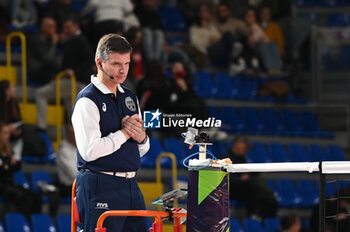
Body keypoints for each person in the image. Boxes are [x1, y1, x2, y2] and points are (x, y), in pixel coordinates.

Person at [72, 34, 150, 232]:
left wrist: (141, 137)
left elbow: (141, 148)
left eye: (127, 63)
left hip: (131, 183)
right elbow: (90, 151)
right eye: (116, 64)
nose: (123, 70)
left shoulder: (130, 97)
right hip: (100, 183)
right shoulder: (87, 100)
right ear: (99, 63)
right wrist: (124, 133)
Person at [35, 16, 94, 130]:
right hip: (74, 83)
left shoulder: (80, 39)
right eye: (64, 27)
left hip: (74, 82)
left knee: (40, 93)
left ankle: (41, 126)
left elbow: (89, 59)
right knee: (71, 114)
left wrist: (74, 72)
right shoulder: (73, 40)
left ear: (76, 26)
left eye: (68, 27)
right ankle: (75, 140)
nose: (65, 30)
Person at [227, 137, 278, 219]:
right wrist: (240, 179)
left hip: (244, 188)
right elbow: (222, 178)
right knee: (251, 186)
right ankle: (252, 213)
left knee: (269, 195)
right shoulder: (226, 158)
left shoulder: (242, 158)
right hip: (231, 189)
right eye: (245, 147)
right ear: (238, 144)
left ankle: (269, 219)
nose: (246, 150)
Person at [0, 122, 42, 216]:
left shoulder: (8, 149)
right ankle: (24, 225)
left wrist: (7, 166)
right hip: (2, 186)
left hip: (10, 183)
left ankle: (34, 225)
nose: (8, 136)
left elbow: (17, 166)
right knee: (26, 199)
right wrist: (8, 166)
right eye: (5, 133)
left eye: (9, 133)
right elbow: (3, 170)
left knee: (37, 197)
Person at [27, 17, 59, 85]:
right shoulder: (34, 40)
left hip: (47, 69)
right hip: (36, 71)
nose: (54, 29)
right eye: (51, 26)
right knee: (54, 63)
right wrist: (53, 44)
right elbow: (46, 58)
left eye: (54, 26)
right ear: (42, 27)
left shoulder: (49, 39)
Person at [0, 80, 23, 160]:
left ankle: (15, 159)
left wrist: (17, 130)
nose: (15, 89)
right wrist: (7, 128)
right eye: (12, 87)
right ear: (7, 91)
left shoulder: (14, 104)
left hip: (12, 135)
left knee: (21, 135)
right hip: (2, 132)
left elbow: (19, 120)